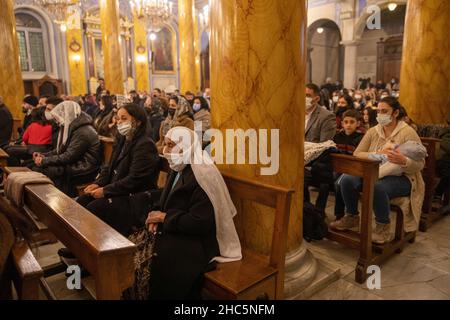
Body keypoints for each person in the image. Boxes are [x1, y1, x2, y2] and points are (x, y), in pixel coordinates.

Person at [127, 126, 242, 300]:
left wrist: (164, 218)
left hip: (198, 241)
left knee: (156, 262)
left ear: (186, 145)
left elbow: (200, 223)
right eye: (165, 144)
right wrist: (155, 215)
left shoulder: (203, 174)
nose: (165, 150)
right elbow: (166, 201)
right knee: (133, 247)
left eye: (171, 145)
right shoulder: (180, 165)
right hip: (177, 229)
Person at [330, 97, 425, 244]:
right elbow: (358, 153)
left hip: (403, 177)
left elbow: (420, 164)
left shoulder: (407, 132)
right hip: (374, 170)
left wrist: (404, 161)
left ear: (395, 113)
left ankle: (382, 227)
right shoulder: (373, 131)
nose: (380, 114)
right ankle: (352, 216)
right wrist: (379, 154)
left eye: (385, 111)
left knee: (377, 186)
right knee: (347, 179)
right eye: (379, 111)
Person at [77, 103, 160, 236]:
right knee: (82, 200)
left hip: (134, 196)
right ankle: (81, 244)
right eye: (118, 118)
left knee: (95, 207)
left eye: (124, 118)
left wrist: (105, 191)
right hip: (119, 190)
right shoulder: (122, 140)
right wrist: (98, 183)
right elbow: (108, 168)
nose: (119, 122)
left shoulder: (145, 144)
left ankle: (98, 246)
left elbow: (135, 180)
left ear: (137, 122)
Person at [31, 101, 102, 196]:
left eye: (58, 117)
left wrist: (44, 161)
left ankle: (57, 199)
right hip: (75, 163)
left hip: (84, 168)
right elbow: (60, 150)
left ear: (67, 115)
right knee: (37, 166)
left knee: (43, 169)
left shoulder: (83, 131)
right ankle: (47, 198)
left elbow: (69, 156)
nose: (57, 121)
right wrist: (43, 156)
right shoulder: (73, 127)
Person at [333, 109, 364, 220]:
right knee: (331, 178)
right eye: (346, 122)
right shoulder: (337, 136)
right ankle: (337, 213)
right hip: (339, 167)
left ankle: (340, 214)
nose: (348, 125)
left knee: (338, 183)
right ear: (342, 123)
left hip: (354, 169)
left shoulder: (361, 138)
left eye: (352, 122)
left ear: (358, 123)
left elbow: (358, 158)